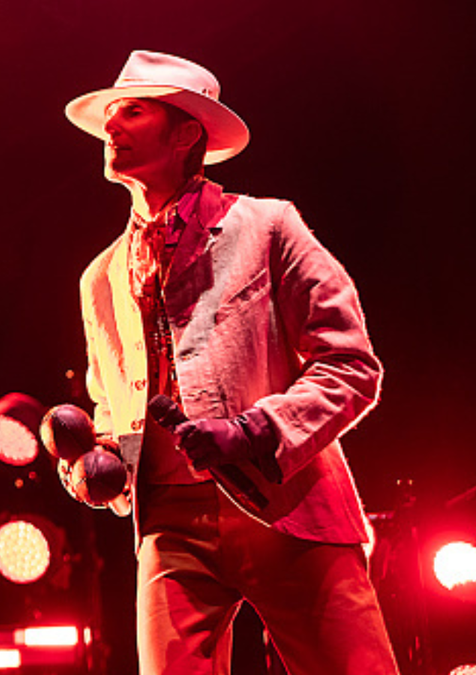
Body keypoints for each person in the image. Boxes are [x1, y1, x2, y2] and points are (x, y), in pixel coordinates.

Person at [55, 50, 400, 674]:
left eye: (132, 111)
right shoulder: (99, 277)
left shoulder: (267, 225)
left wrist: (251, 431)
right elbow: (113, 407)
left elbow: (351, 364)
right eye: (111, 113)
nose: (111, 125)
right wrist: (91, 467)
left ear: (187, 132)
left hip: (288, 502)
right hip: (168, 524)